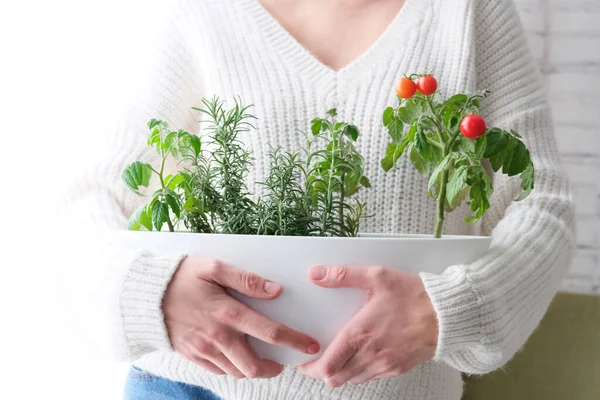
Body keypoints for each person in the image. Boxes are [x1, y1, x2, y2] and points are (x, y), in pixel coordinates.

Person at [58, 0, 575, 399]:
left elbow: (541, 200)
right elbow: (95, 197)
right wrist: (152, 295)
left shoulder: (466, 13)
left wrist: (451, 311)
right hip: (192, 387)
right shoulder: (203, 12)